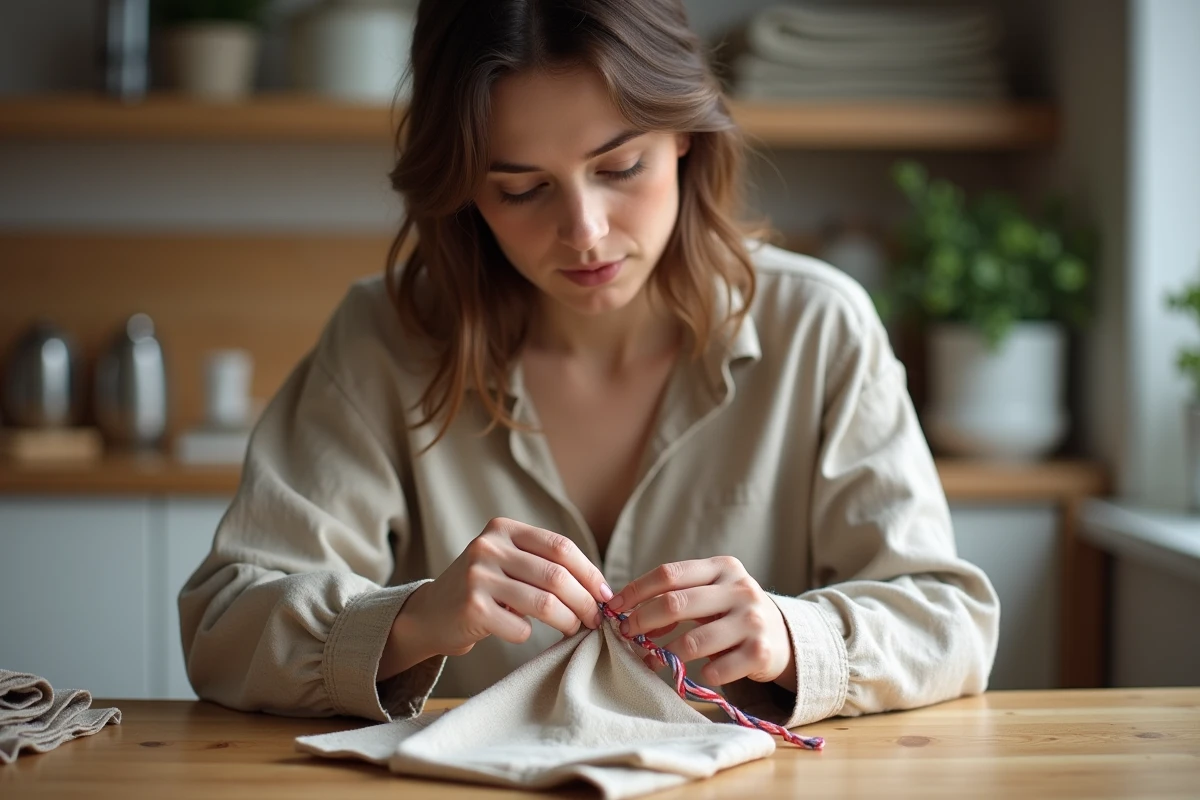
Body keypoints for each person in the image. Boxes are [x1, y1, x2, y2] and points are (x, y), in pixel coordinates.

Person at [179, 0, 999, 728]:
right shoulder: (382, 338)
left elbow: (948, 620)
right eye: (522, 189)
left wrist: (792, 637)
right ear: (464, 193)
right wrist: (415, 620)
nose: (585, 232)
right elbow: (224, 624)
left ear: (685, 134)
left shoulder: (820, 327)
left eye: (619, 168)